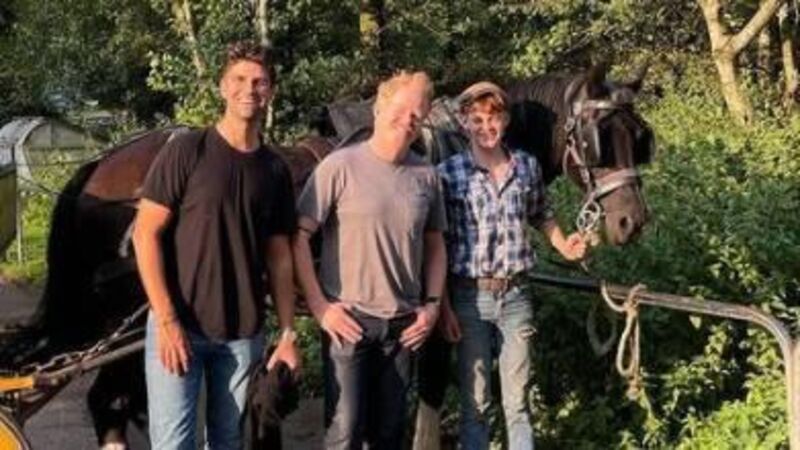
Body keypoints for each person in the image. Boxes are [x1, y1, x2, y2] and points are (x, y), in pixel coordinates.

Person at [132, 41, 300, 450]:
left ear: (271, 92)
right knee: (174, 444)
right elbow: (145, 234)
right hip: (180, 326)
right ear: (223, 87)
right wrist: (166, 319)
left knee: (228, 442)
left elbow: (279, 258)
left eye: (260, 82)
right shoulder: (187, 151)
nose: (249, 89)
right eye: (239, 79)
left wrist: (288, 334)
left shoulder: (275, 170)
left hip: (243, 336)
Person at [293, 71, 448, 450]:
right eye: (401, 108)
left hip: (403, 327)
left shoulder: (426, 175)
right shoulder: (339, 166)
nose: (409, 119)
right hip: (349, 323)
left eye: (418, 113)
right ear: (378, 108)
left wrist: (432, 306)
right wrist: (320, 307)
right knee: (344, 433)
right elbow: (298, 238)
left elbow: (436, 247)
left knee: (389, 434)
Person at [436, 81, 587, 450]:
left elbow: (541, 213)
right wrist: (442, 305)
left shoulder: (526, 166)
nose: (486, 127)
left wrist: (564, 244)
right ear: (464, 122)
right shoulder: (448, 173)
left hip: (516, 296)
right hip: (470, 298)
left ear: (505, 120)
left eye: (493, 118)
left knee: (518, 401)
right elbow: (437, 243)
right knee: (475, 403)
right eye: (477, 119)